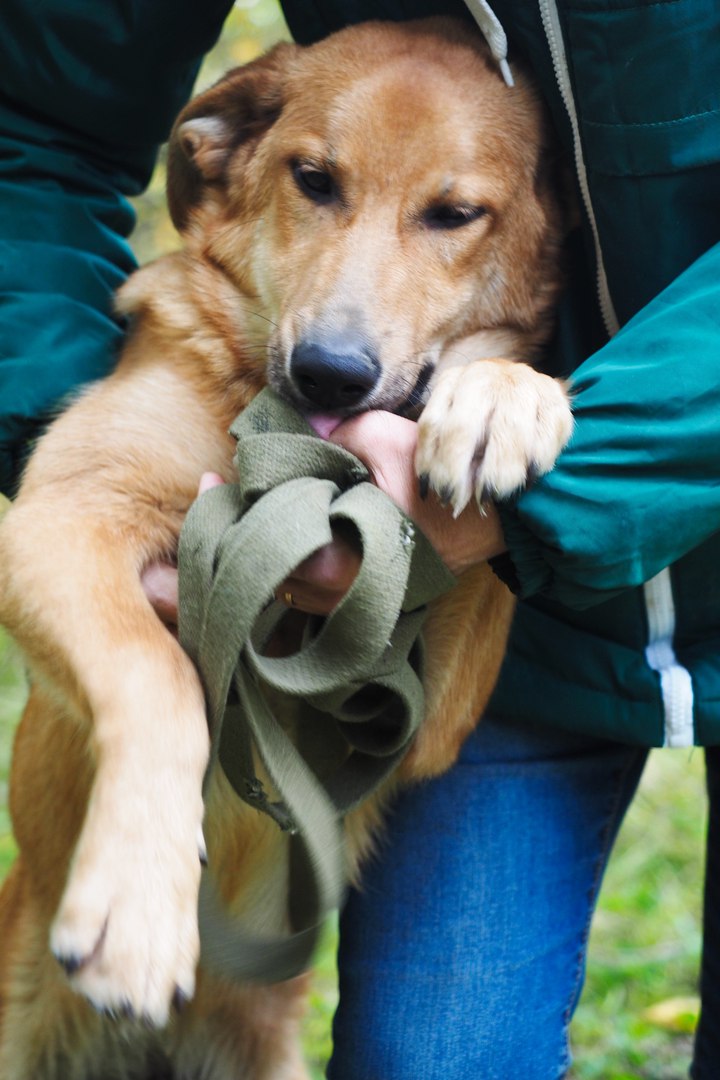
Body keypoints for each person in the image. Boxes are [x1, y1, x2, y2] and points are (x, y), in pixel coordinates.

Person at [2, 1, 720, 1077]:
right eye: (319, 184)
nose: (342, 322)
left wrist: (501, 450)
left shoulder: (503, 405)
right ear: (233, 161)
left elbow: (427, 725)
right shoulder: (218, 322)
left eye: (450, 214)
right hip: (61, 982)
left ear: (538, 226)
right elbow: (41, 117)